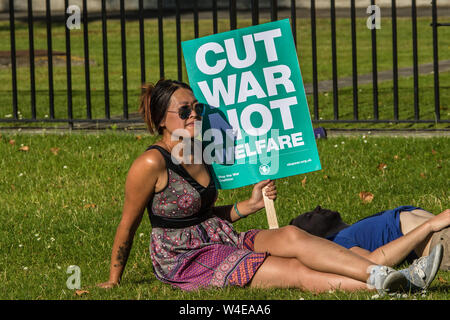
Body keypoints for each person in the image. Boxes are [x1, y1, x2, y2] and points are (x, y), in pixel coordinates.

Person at [97, 79, 439, 294]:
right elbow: (128, 225)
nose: (194, 116)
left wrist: (248, 205)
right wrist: (114, 280)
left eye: (196, 108)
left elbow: (201, 215)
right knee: (294, 271)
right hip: (183, 256)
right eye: (184, 110)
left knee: (291, 235)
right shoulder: (150, 164)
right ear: (161, 120)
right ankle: (390, 285)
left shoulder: (199, 149)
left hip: (217, 234)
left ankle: (384, 273)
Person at [289, 206, 450, 272]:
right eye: (309, 216)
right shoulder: (338, 243)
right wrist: (430, 225)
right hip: (441, 242)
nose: (317, 208)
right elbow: (373, 262)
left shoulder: (351, 230)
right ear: (310, 235)